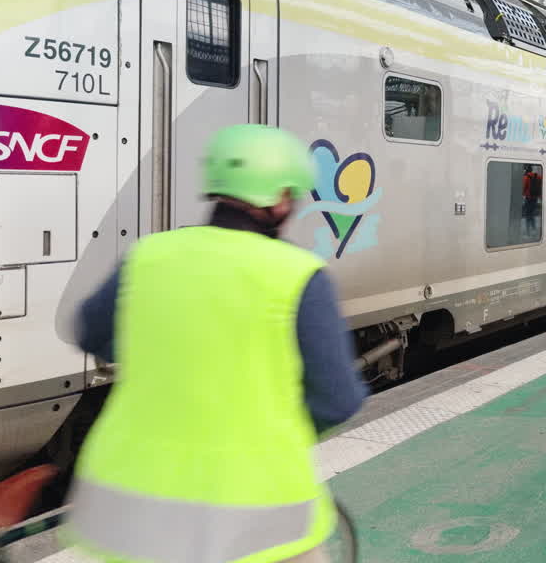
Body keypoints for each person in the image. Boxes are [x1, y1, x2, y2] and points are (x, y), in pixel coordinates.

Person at [65, 125, 368, 563]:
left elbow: (90, 333)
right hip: (257, 520)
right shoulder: (297, 276)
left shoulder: (149, 255)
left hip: (126, 513)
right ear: (280, 198)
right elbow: (338, 400)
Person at [522, 164, 542, 238]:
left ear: (526, 170)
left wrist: (523, 194)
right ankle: (534, 229)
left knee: (528, 215)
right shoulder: (538, 176)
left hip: (528, 198)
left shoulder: (526, 177)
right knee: (532, 214)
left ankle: (528, 233)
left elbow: (523, 187)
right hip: (535, 198)